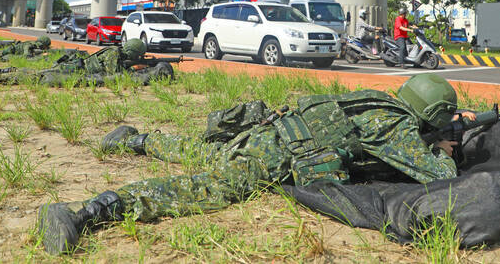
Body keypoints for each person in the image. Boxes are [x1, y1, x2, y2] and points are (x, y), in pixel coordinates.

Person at [35, 74, 475, 255]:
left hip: (264, 133)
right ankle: (87, 211)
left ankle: (135, 138)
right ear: (433, 115)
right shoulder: (394, 124)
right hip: (273, 157)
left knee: (203, 152)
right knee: (207, 190)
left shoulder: (376, 99)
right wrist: (446, 148)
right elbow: (440, 177)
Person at [0, 39, 175, 87]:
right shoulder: (114, 54)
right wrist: (136, 68)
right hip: (73, 70)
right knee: (39, 77)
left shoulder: (117, 52)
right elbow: (113, 74)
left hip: (76, 68)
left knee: (40, 74)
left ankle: (1, 73)